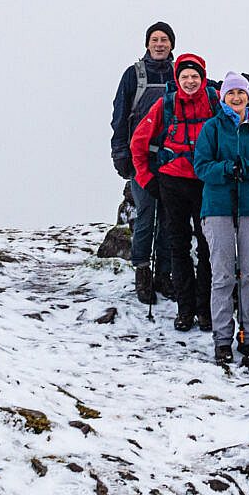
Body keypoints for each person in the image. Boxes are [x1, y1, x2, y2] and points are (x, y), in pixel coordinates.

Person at [193, 72, 249, 366]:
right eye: (230, 93)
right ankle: (222, 340)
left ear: (248, 96)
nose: (235, 98)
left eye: (240, 93)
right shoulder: (212, 128)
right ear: (223, 98)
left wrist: (245, 168)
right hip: (218, 207)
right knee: (221, 276)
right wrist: (225, 169)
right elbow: (201, 167)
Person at [131, 53, 217, 332]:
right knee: (178, 246)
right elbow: (138, 143)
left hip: (207, 184)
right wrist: (147, 180)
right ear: (177, 79)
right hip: (172, 184)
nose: (190, 81)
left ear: (202, 78)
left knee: (207, 248)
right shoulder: (165, 104)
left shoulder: (215, 101)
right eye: (184, 77)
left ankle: (205, 310)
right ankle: (185, 310)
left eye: (195, 76)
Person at [110, 22, 175, 304]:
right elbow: (120, 115)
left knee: (170, 219)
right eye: (155, 39)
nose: (159, 44)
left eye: (165, 40)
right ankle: (142, 272)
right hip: (142, 157)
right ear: (147, 44)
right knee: (146, 215)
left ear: (172, 44)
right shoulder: (133, 75)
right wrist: (120, 153)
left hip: (173, 159)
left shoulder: (180, 74)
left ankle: (164, 274)